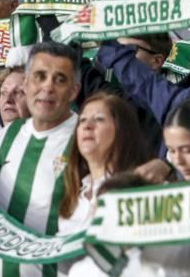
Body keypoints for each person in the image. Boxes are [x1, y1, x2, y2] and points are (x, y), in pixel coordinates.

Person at [0, 41, 80, 277]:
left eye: (59, 79)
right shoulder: (7, 135)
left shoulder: (85, 138)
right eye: (39, 77)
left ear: (74, 91)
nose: (47, 87)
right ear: (26, 83)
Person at [57, 94, 151, 230]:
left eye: (99, 119)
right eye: (82, 120)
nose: (87, 126)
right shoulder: (75, 196)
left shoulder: (140, 190)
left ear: (122, 130)